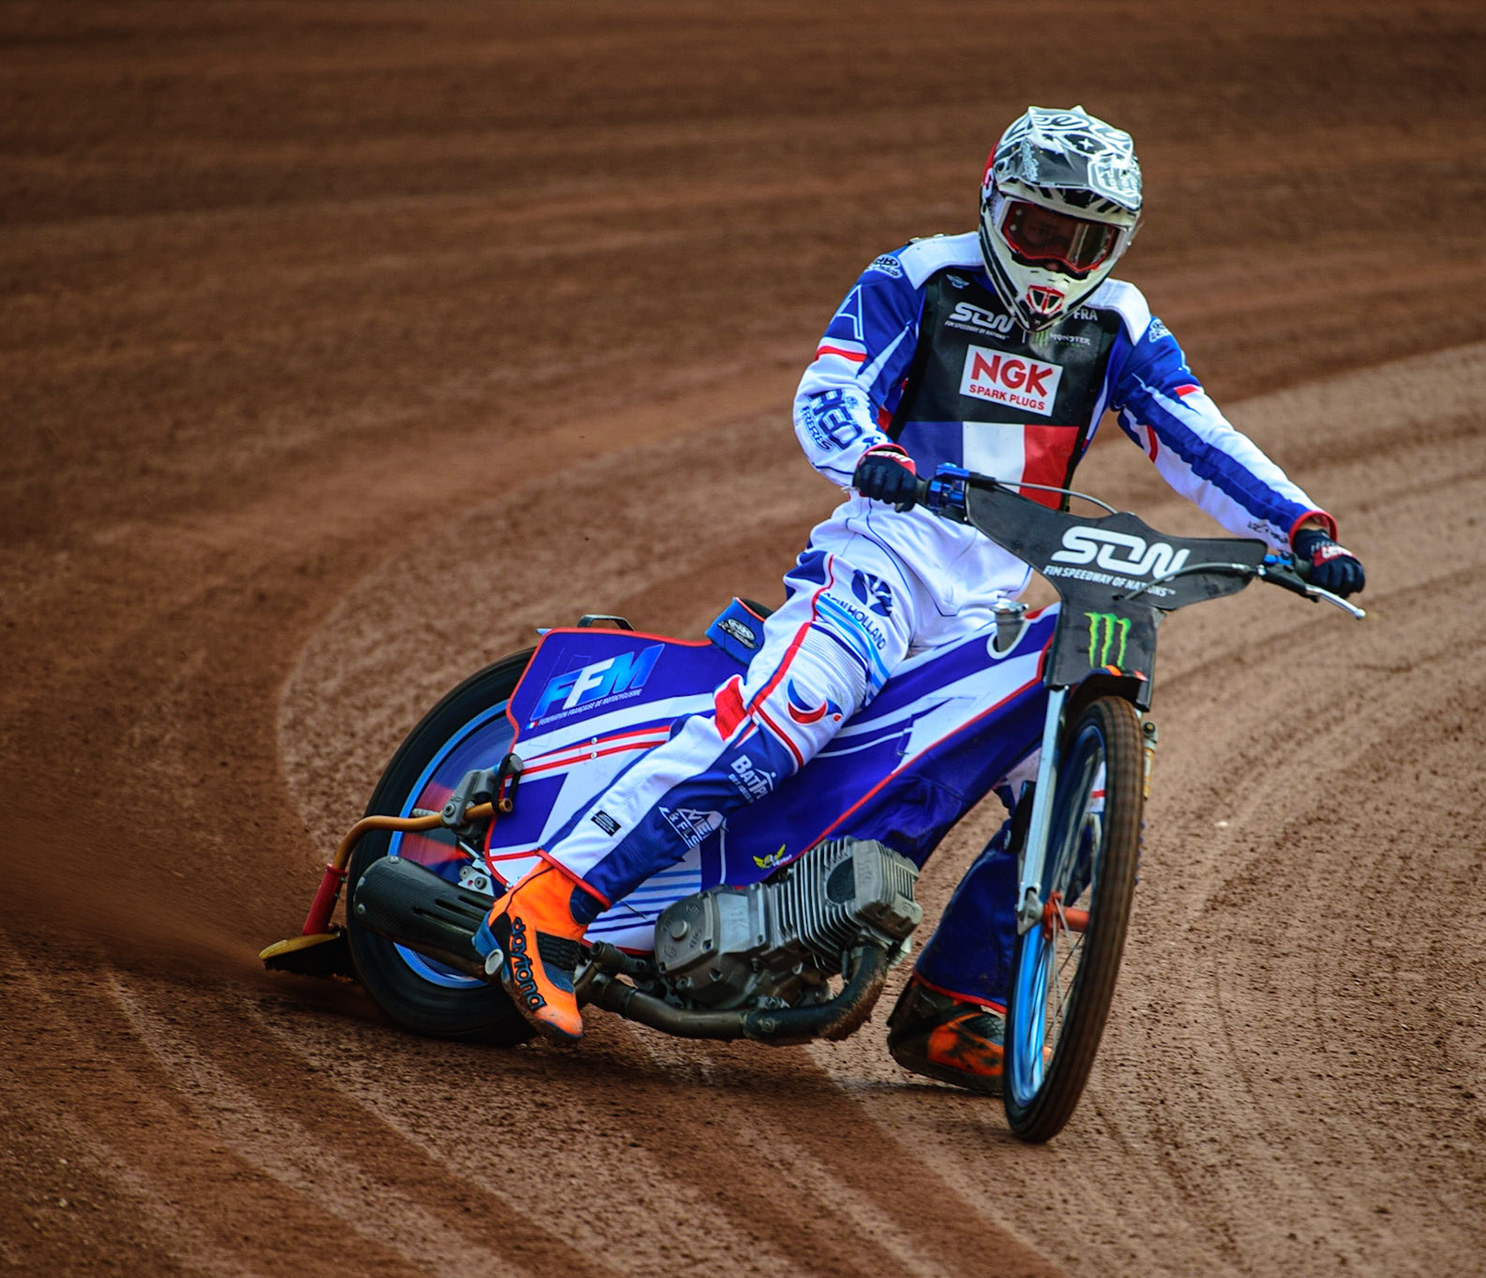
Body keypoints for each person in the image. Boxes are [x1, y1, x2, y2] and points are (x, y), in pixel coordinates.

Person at [475, 106, 1365, 1093]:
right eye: (1038, 230)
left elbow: (1202, 441)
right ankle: (549, 903)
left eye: (1089, 241)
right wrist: (875, 458)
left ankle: (960, 1004)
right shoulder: (919, 277)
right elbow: (829, 392)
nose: (1059, 262)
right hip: (879, 567)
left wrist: (1302, 529)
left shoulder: (1120, 328)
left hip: (982, 610)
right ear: (993, 202)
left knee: (1079, 796)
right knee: (786, 720)